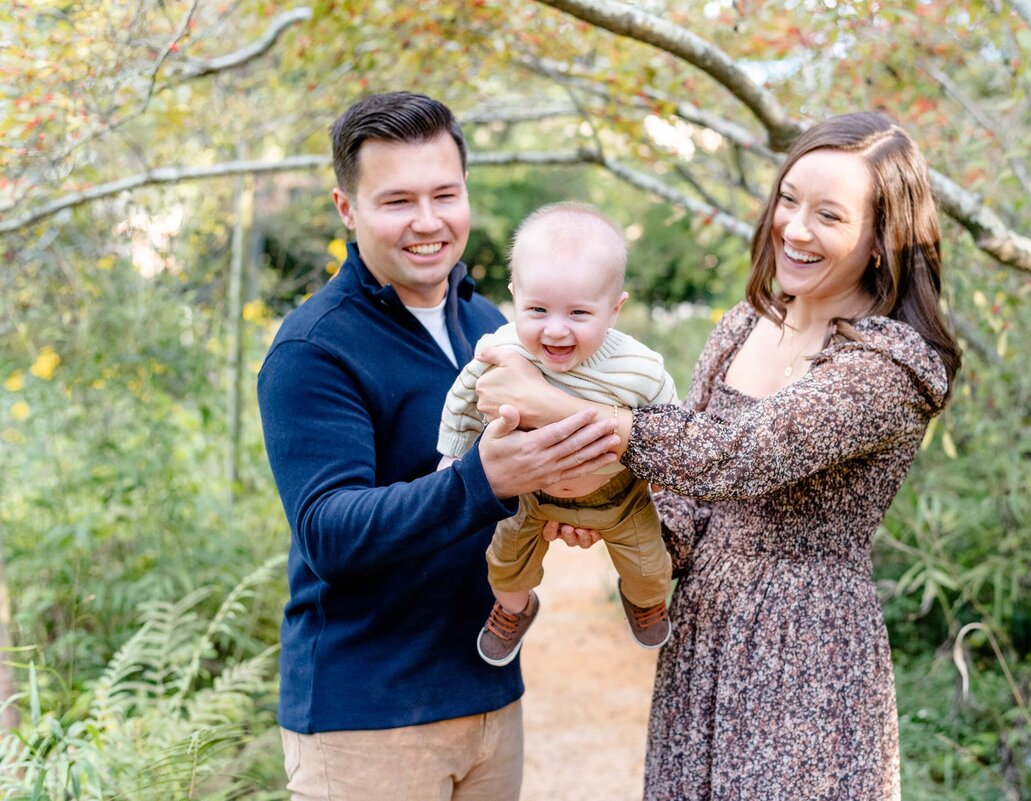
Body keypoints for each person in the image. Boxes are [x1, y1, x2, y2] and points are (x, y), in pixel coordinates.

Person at [473, 111, 962, 799]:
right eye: (788, 200)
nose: (794, 228)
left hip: (806, 646)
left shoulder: (887, 366)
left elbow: (739, 457)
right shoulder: (743, 325)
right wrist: (609, 518)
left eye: (828, 215)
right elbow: (684, 492)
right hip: (701, 629)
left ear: (881, 241)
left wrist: (557, 405)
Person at [256, 92, 620, 801]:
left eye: (445, 194)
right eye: (397, 201)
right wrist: (483, 480)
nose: (428, 221)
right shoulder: (313, 348)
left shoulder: (492, 324)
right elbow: (329, 532)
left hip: (489, 695)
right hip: (366, 721)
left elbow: (521, 482)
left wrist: (568, 501)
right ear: (346, 208)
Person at [437, 201, 679, 666]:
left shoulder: (639, 368)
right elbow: (464, 396)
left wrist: (665, 477)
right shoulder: (504, 350)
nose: (555, 330)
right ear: (514, 297)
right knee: (504, 565)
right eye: (537, 309)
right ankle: (516, 608)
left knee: (650, 568)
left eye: (578, 313)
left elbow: (670, 423)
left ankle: (644, 600)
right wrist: (452, 453)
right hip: (529, 494)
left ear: (614, 309)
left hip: (619, 495)